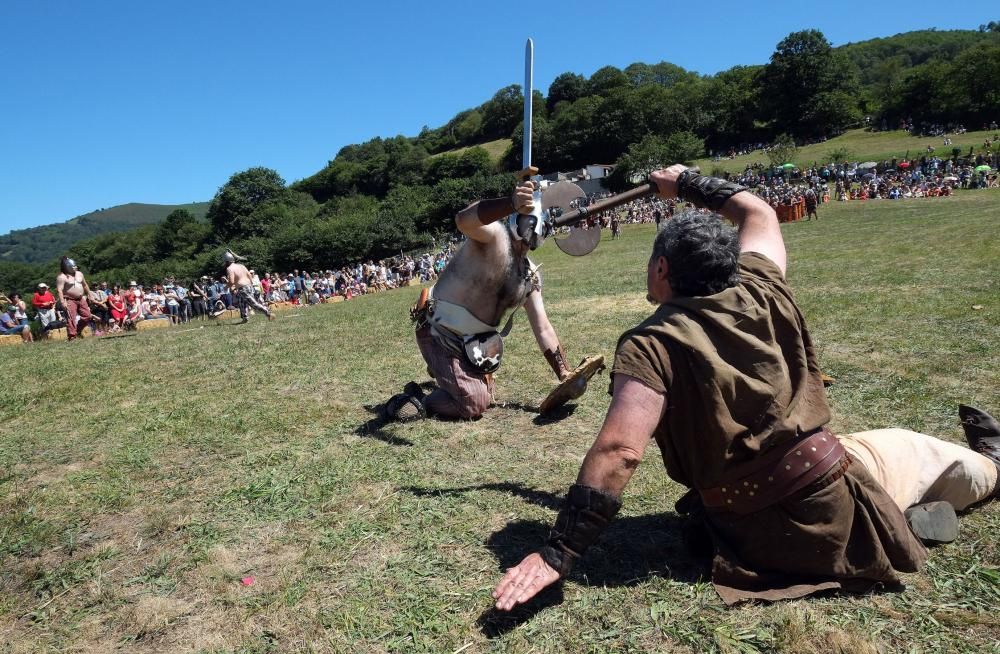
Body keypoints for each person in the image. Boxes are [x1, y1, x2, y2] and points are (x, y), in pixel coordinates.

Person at [493, 165, 1000, 610]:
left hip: (748, 532)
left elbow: (623, 451)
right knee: (921, 452)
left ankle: (941, 495)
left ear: (663, 268)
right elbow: (758, 213)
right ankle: (989, 468)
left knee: (895, 454)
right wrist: (686, 182)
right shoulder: (761, 284)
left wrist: (559, 552)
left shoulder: (651, 343)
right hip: (824, 505)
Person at [385, 180, 602, 421]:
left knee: (482, 394)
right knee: (474, 404)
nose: (526, 238)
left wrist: (564, 373)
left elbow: (542, 326)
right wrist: (510, 202)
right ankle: (417, 398)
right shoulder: (490, 239)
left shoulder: (528, 275)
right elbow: (463, 220)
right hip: (439, 332)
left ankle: (451, 377)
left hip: (472, 343)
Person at [213, 250, 274, 323]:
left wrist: (226, 287)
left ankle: (268, 312)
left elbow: (231, 281)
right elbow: (249, 275)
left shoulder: (229, 269)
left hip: (243, 288)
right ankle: (245, 318)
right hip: (248, 286)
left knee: (253, 304)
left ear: (227, 261)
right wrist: (250, 284)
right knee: (242, 303)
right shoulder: (241, 266)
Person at [55, 256, 92, 340]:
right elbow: (59, 290)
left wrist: (90, 294)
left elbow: (85, 284)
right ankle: (72, 336)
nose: (75, 267)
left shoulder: (79, 274)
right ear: (68, 267)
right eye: (73, 266)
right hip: (69, 299)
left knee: (87, 315)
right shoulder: (62, 277)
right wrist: (62, 302)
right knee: (71, 318)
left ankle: (78, 329)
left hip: (81, 298)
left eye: (75, 266)